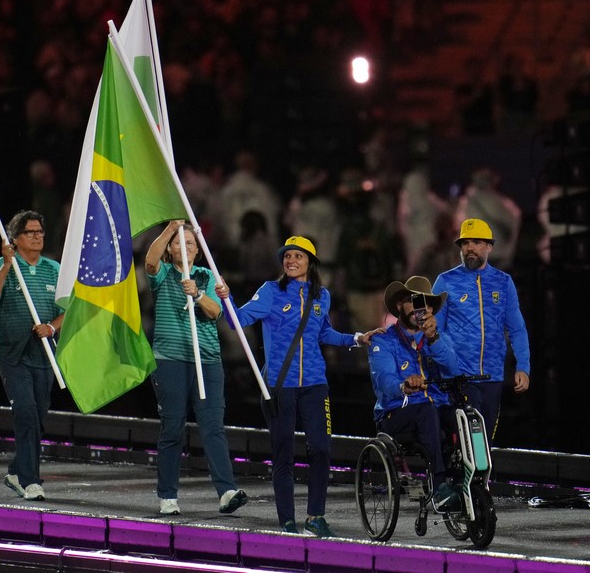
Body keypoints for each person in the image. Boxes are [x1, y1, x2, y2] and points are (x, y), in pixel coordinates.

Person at [216, 236, 382, 537]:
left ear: (311, 263)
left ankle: (315, 517)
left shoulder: (323, 296)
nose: (291, 260)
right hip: (280, 386)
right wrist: (225, 300)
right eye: (287, 256)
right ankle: (288, 521)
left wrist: (355, 339)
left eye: (298, 256)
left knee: (321, 448)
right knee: (284, 453)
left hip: (315, 384)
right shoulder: (270, 291)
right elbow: (237, 322)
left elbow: (325, 333)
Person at [144, 221, 248, 517]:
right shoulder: (163, 274)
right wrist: (169, 230)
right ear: (170, 249)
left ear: (198, 249)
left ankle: (226, 490)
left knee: (213, 427)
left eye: (190, 243)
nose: (184, 247)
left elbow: (216, 312)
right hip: (170, 361)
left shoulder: (208, 276)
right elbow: (151, 263)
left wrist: (199, 294)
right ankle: (168, 496)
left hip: (208, 360)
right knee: (173, 428)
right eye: (178, 243)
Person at [0, 210, 63, 502]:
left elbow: (71, 307)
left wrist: (52, 327)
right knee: (26, 412)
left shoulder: (54, 269)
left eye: (40, 231)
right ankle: (30, 480)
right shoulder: (4, 265)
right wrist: (6, 264)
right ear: (15, 238)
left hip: (44, 356)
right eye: (30, 232)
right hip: (13, 356)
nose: (38, 236)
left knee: (38, 418)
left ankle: (16, 471)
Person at [432, 218, 531, 443]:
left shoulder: (503, 282)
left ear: (489, 246)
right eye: (465, 243)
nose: (469, 248)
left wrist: (523, 366)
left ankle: (474, 478)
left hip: (493, 376)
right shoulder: (445, 281)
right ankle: (463, 476)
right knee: (473, 438)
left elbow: (517, 329)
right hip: (460, 377)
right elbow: (433, 330)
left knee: (484, 441)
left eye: (476, 242)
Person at [367, 276, 460, 511]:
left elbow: (453, 369)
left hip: (434, 410)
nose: (422, 309)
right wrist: (403, 386)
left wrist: (434, 339)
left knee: (463, 415)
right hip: (396, 413)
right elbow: (384, 380)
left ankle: (467, 481)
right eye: (414, 301)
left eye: (427, 304)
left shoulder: (437, 338)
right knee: (427, 412)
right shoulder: (383, 341)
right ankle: (439, 486)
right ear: (400, 304)